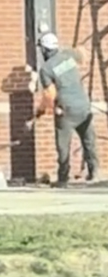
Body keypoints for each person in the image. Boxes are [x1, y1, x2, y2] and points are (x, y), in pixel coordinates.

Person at [35, 31, 97, 185]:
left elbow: (49, 95)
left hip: (66, 111)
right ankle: (94, 171)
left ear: (45, 50)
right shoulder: (68, 56)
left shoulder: (46, 69)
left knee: (63, 146)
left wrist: (39, 112)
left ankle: (63, 178)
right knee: (89, 141)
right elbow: (83, 53)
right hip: (84, 105)